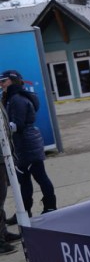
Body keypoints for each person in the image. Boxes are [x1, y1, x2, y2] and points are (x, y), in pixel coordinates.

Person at [0, 70, 57, 225]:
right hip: (23, 143)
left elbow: (16, 124)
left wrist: (3, 128)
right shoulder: (11, 97)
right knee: (24, 180)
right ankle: (25, 212)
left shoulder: (17, 99)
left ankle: (50, 207)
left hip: (27, 144)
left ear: (12, 81)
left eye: (3, 81)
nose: (1, 84)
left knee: (39, 176)